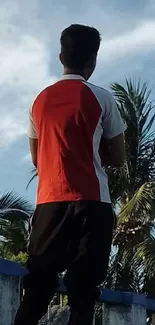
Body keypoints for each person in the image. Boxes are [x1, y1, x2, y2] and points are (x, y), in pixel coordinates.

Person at [13, 24, 126, 325]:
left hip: (49, 205)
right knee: (83, 293)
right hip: (92, 203)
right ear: (94, 59)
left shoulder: (40, 101)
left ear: (61, 55)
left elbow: (38, 158)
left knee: (37, 289)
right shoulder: (102, 98)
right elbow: (118, 155)